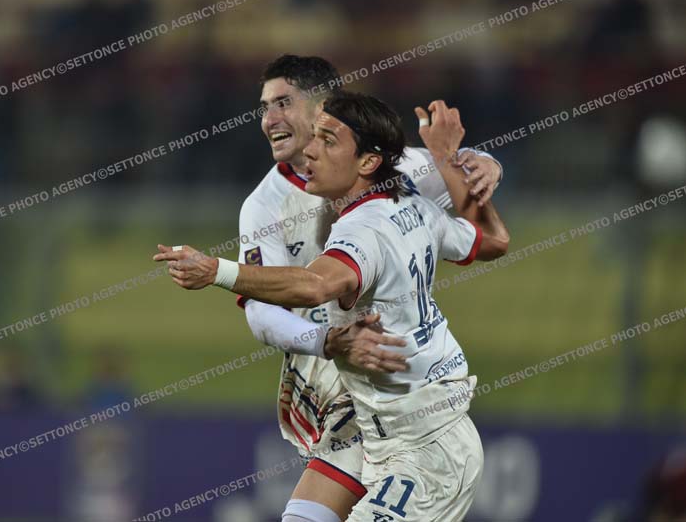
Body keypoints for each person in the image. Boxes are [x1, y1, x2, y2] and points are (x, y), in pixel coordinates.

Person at [155, 92, 509, 520]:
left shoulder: (364, 229)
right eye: (315, 136)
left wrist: (216, 270)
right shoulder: (413, 205)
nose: (310, 150)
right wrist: (448, 159)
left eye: (328, 140)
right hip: (378, 431)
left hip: (425, 450)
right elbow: (494, 241)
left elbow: (315, 285)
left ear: (367, 162)